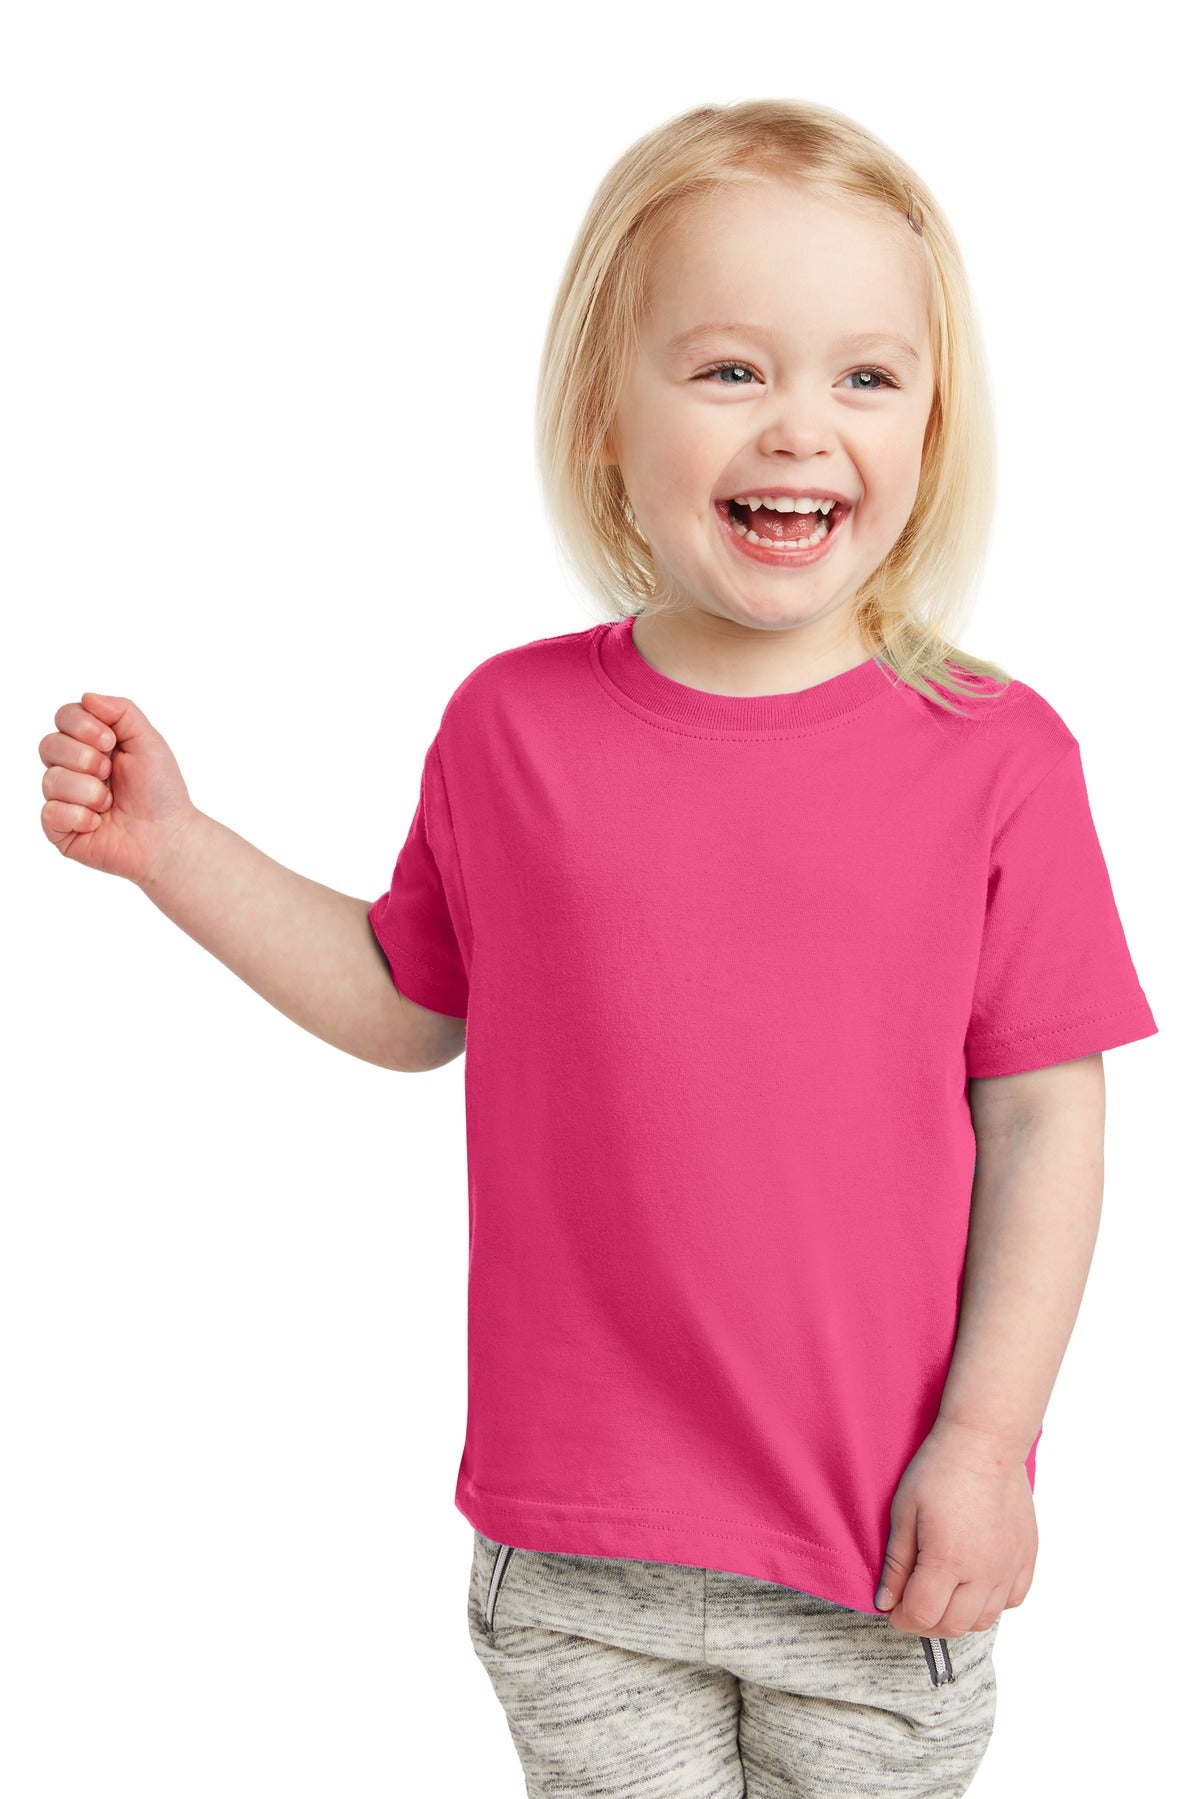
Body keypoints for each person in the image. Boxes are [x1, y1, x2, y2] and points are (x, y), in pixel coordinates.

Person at [39, 97, 1157, 1799]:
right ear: (603, 412)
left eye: (867, 376)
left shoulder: (998, 758)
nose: (801, 426)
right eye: (730, 370)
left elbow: (1047, 1121)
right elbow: (409, 1000)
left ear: (935, 423)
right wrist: (175, 852)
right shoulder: (512, 729)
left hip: (882, 1549)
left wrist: (991, 1447)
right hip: (580, 1552)